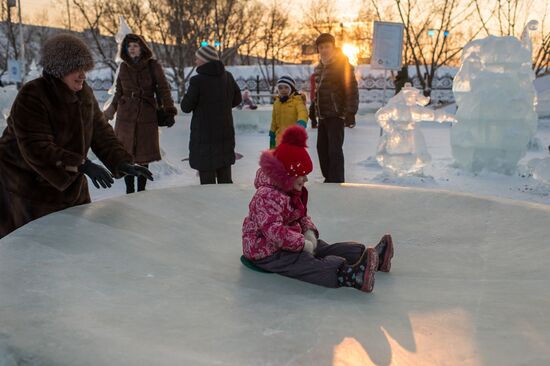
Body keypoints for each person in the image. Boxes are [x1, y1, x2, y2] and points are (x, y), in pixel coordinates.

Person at [0, 34, 152, 239]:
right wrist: (82, 165)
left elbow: (100, 132)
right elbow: (37, 149)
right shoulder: (33, 95)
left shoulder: (84, 93)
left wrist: (121, 161)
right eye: (76, 69)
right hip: (26, 190)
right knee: (36, 253)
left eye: (85, 69)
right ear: (58, 69)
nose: (83, 76)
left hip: (69, 187)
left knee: (76, 245)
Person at [242, 126, 394, 292]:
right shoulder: (266, 196)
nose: (306, 179)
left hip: (290, 240)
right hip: (265, 251)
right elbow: (274, 232)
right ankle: (348, 275)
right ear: (288, 174)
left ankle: (373, 258)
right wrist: (301, 243)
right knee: (303, 263)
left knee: (321, 247)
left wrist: (308, 232)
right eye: (302, 174)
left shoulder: (290, 190)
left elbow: (301, 216)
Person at [104, 33, 177, 194]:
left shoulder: (153, 65)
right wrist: (108, 113)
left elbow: (164, 89)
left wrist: (169, 110)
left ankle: (141, 191)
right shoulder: (123, 66)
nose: (132, 49)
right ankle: (129, 191)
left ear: (142, 47)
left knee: (143, 157)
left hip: (146, 115)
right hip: (125, 118)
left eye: (135, 46)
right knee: (126, 155)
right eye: (129, 46)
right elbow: (118, 93)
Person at [180, 45, 242, 185]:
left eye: (197, 58)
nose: (195, 61)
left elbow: (185, 107)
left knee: (207, 185)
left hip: (204, 138)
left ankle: (210, 206)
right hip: (224, 135)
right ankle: (226, 206)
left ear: (205, 60)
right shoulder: (228, 77)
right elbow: (237, 99)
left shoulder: (197, 81)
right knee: (225, 181)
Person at [312, 33, 359, 183]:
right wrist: (314, 108)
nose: (324, 50)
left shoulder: (342, 65)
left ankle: (336, 179)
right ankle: (328, 178)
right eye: (321, 47)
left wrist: (351, 112)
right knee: (321, 149)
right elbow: (318, 91)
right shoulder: (319, 68)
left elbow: (351, 88)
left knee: (334, 150)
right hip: (323, 115)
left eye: (327, 46)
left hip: (337, 114)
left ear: (333, 47)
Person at [269, 76, 308, 149]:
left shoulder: (297, 101)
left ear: (291, 88)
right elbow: (274, 121)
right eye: (280, 88)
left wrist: (301, 123)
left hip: (293, 138)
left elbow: (303, 112)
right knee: (280, 159)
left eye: (286, 87)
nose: (283, 90)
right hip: (279, 139)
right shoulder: (277, 103)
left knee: (293, 158)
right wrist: (272, 133)